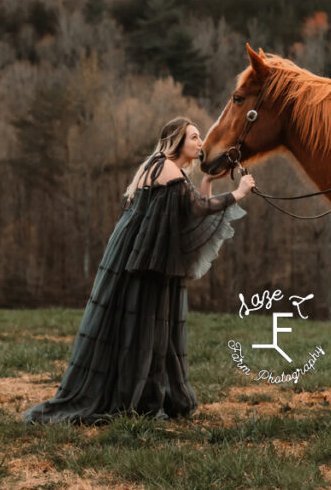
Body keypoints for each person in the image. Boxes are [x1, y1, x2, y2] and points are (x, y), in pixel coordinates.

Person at [23, 117, 255, 424]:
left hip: (138, 256)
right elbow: (198, 210)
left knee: (140, 328)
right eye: (194, 137)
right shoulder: (168, 169)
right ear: (177, 142)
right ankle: (139, 400)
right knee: (146, 331)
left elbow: (192, 209)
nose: (200, 143)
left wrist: (209, 182)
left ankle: (138, 394)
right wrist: (238, 194)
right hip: (147, 262)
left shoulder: (160, 167)